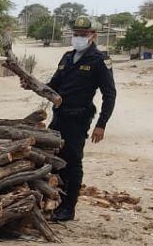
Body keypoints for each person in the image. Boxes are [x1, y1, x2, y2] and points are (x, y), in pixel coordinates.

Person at [25, 15, 117, 221]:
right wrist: (32, 84)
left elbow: (109, 95)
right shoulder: (67, 57)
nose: (78, 38)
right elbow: (53, 86)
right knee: (54, 157)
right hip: (60, 117)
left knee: (73, 161)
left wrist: (101, 125)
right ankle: (55, 200)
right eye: (76, 34)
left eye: (83, 34)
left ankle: (68, 208)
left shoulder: (100, 61)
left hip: (79, 118)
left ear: (93, 35)